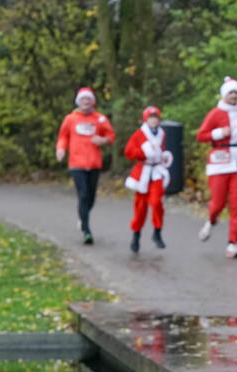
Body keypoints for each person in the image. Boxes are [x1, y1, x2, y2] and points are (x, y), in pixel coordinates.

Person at [196, 77, 237, 259]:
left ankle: (233, 243)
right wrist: (219, 133)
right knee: (218, 204)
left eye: (236, 93)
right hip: (219, 161)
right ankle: (211, 221)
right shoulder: (215, 113)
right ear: (224, 95)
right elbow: (201, 135)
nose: (234, 96)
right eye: (230, 93)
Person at [56, 87, 115, 245]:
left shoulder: (100, 119)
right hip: (77, 163)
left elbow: (110, 135)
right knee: (82, 194)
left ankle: (83, 217)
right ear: (78, 101)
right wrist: (61, 149)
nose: (86, 102)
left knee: (91, 197)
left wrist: (103, 140)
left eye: (88, 99)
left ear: (92, 102)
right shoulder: (70, 119)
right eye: (83, 99)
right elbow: (63, 136)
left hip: (94, 162)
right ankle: (86, 230)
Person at [124, 105, 173, 252]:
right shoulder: (139, 134)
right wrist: (144, 153)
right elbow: (128, 151)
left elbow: (161, 151)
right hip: (143, 174)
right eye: (151, 117)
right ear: (146, 119)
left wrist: (164, 156)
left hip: (157, 172)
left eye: (156, 117)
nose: (153, 120)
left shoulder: (162, 134)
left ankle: (157, 232)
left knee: (156, 202)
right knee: (140, 208)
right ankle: (136, 236)